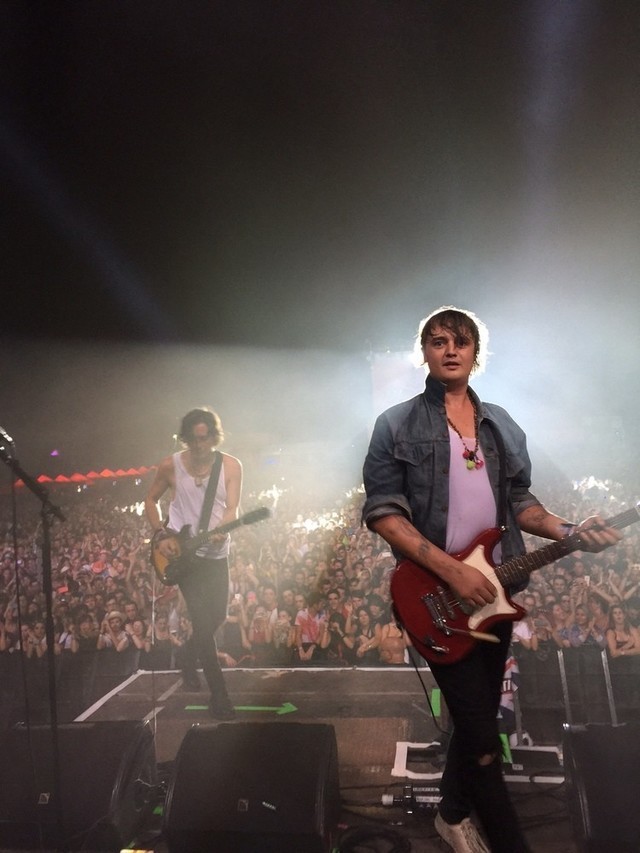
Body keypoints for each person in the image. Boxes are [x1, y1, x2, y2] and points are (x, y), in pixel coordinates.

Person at [362, 305, 623, 853]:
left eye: (460, 341)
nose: (450, 350)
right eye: (437, 341)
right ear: (424, 353)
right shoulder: (396, 423)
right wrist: (451, 570)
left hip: (495, 594)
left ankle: (452, 814)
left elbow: (521, 503)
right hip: (433, 594)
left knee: (477, 718)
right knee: (482, 738)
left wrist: (569, 529)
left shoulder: (502, 424)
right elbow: (384, 513)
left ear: (476, 352)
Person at [145, 406, 242, 719]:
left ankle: (187, 655)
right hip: (185, 556)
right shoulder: (170, 466)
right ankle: (220, 697)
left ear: (214, 437)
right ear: (185, 439)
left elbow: (232, 508)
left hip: (216, 555)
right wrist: (160, 534)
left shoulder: (230, 465)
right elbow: (150, 500)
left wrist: (223, 529)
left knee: (217, 617)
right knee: (202, 624)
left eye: (205, 438)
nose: (200, 445)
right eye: (194, 439)